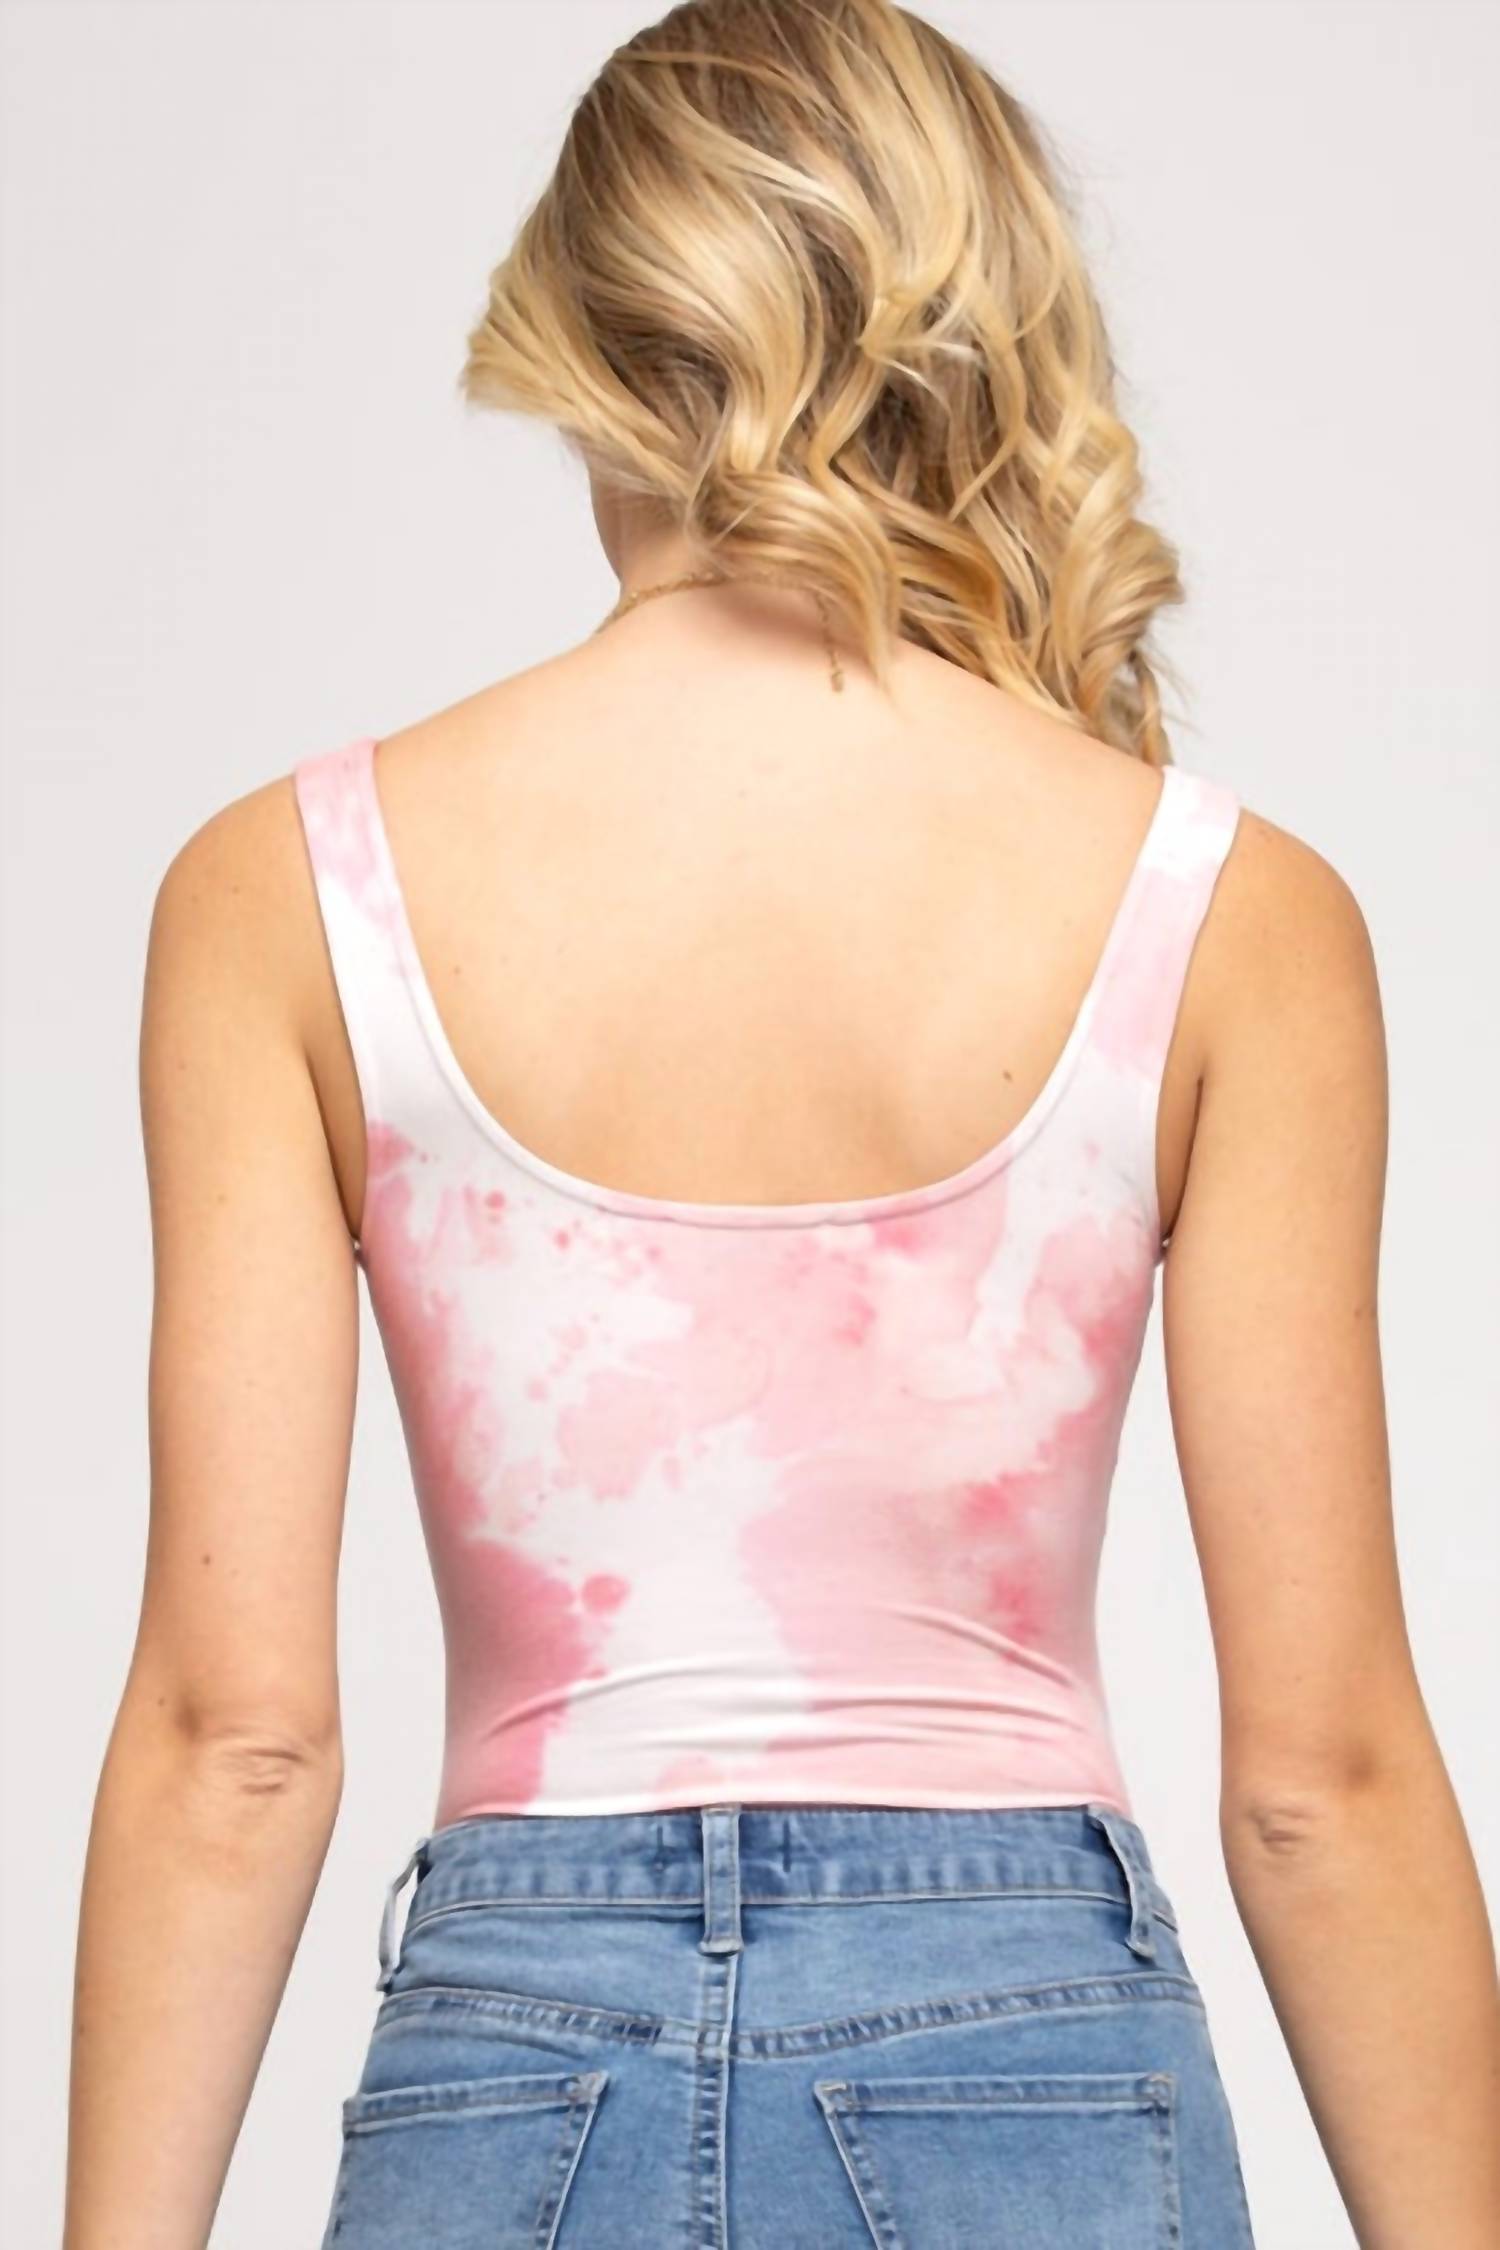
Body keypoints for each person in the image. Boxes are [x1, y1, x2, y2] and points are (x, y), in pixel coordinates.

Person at [64, 2, 1499, 2245]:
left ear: (584, 333)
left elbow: (231, 1742)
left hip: (513, 2059)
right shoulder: (1228, 913)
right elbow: (1322, 1777)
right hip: (1029, 2045)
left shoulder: (287, 894)